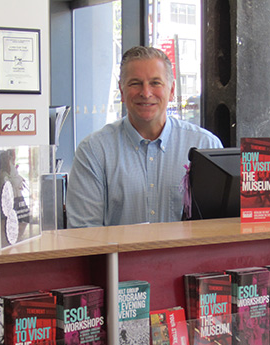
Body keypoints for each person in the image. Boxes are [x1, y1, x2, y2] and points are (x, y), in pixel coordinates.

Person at [66, 46, 222, 228]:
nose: (146, 93)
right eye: (135, 83)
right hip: (118, 257)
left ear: (171, 90)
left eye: (155, 83)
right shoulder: (93, 151)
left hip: (187, 257)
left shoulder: (205, 145)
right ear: (122, 91)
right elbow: (84, 232)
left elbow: (219, 226)